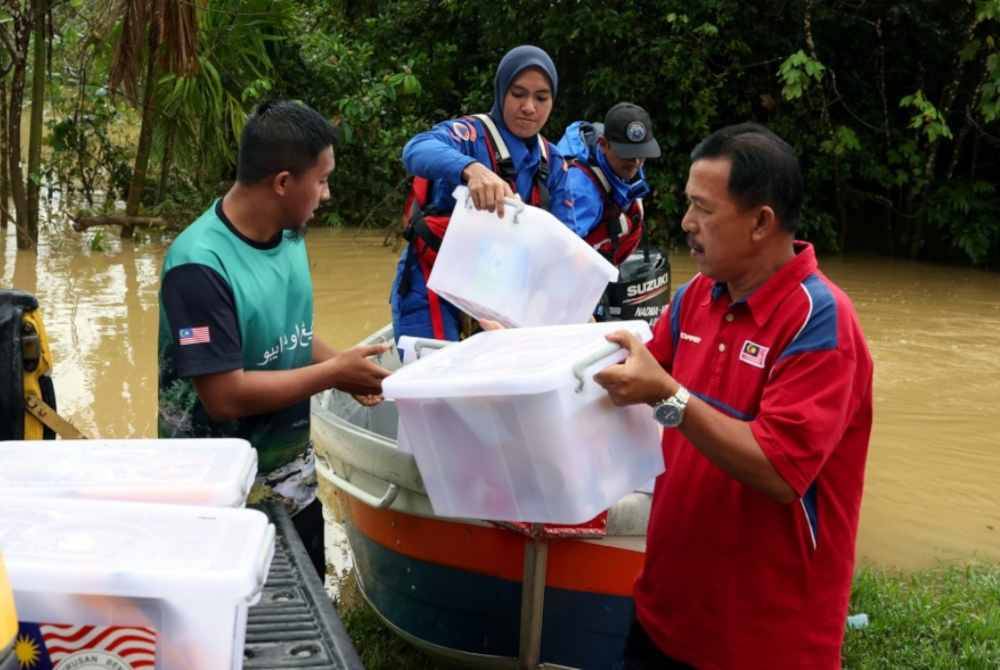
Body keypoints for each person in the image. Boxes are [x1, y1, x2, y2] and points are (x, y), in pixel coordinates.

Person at [593, 123, 874, 669]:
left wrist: (670, 398)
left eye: (703, 209)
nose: (686, 224)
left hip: (765, 642)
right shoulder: (699, 295)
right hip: (665, 616)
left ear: (760, 222)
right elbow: (632, 369)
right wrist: (526, 351)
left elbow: (777, 469)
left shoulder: (821, 324)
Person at [157, 100, 390, 577]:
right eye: (321, 180)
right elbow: (224, 396)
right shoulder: (199, 266)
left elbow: (290, 336)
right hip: (218, 493)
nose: (326, 194)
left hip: (294, 481)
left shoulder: (288, 235)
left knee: (307, 608)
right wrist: (332, 373)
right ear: (283, 183)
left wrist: (346, 368)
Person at [390, 44, 573, 341]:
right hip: (432, 287)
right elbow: (415, 150)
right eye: (518, 94)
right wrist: (472, 169)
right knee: (436, 384)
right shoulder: (469, 134)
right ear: (501, 93)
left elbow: (565, 243)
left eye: (541, 97)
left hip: (501, 291)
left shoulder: (553, 163)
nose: (529, 107)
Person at [558, 102, 660, 266]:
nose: (636, 162)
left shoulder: (624, 166)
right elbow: (559, 255)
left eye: (642, 154)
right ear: (603, 144)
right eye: (628, 154)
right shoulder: (582, 193)